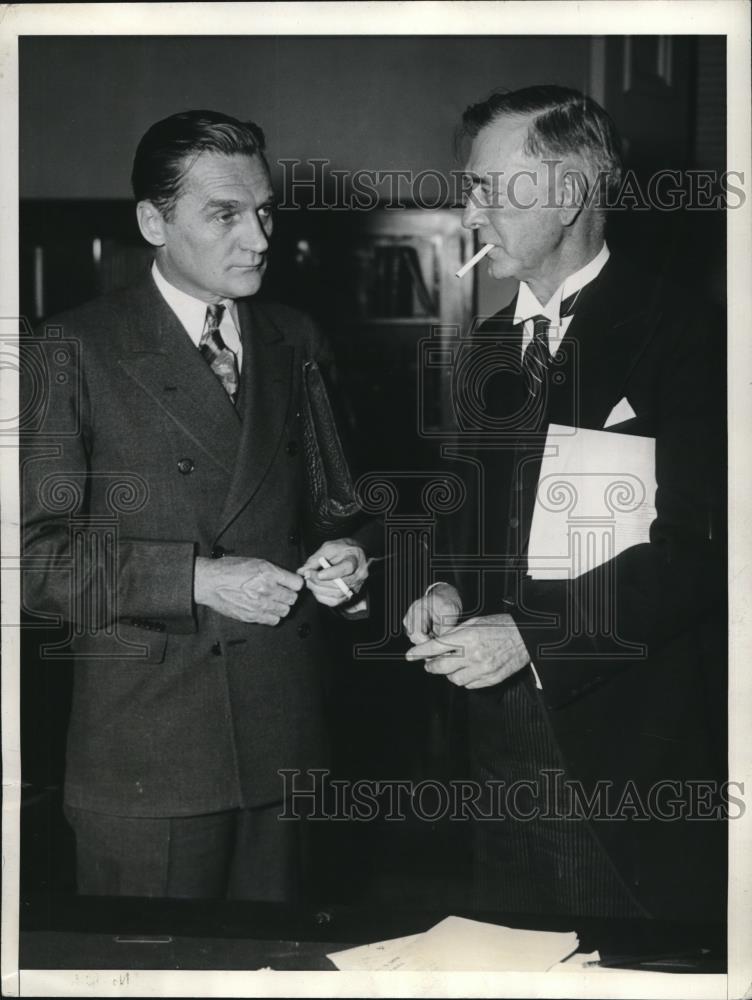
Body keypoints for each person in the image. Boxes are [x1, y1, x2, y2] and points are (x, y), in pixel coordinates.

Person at [21, 110, 370, 900]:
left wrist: (352, 560)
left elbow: (341, 510)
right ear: (154, 221)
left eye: (265, 211)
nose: (259, 237)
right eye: (225, 214)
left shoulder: (297, 337)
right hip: (149, 756)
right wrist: (196, 580)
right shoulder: (71, 348)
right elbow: (33, 559)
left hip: (287, 743)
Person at [404, 86, 726, 920]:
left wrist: (533, 634)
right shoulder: (487, 343)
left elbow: (705, 551)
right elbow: (474, 520)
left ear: (572, 194)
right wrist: (448, 589)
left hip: (623, 746)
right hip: (497, 736)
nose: (470, 213)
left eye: (490, 190)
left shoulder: (693, 336)